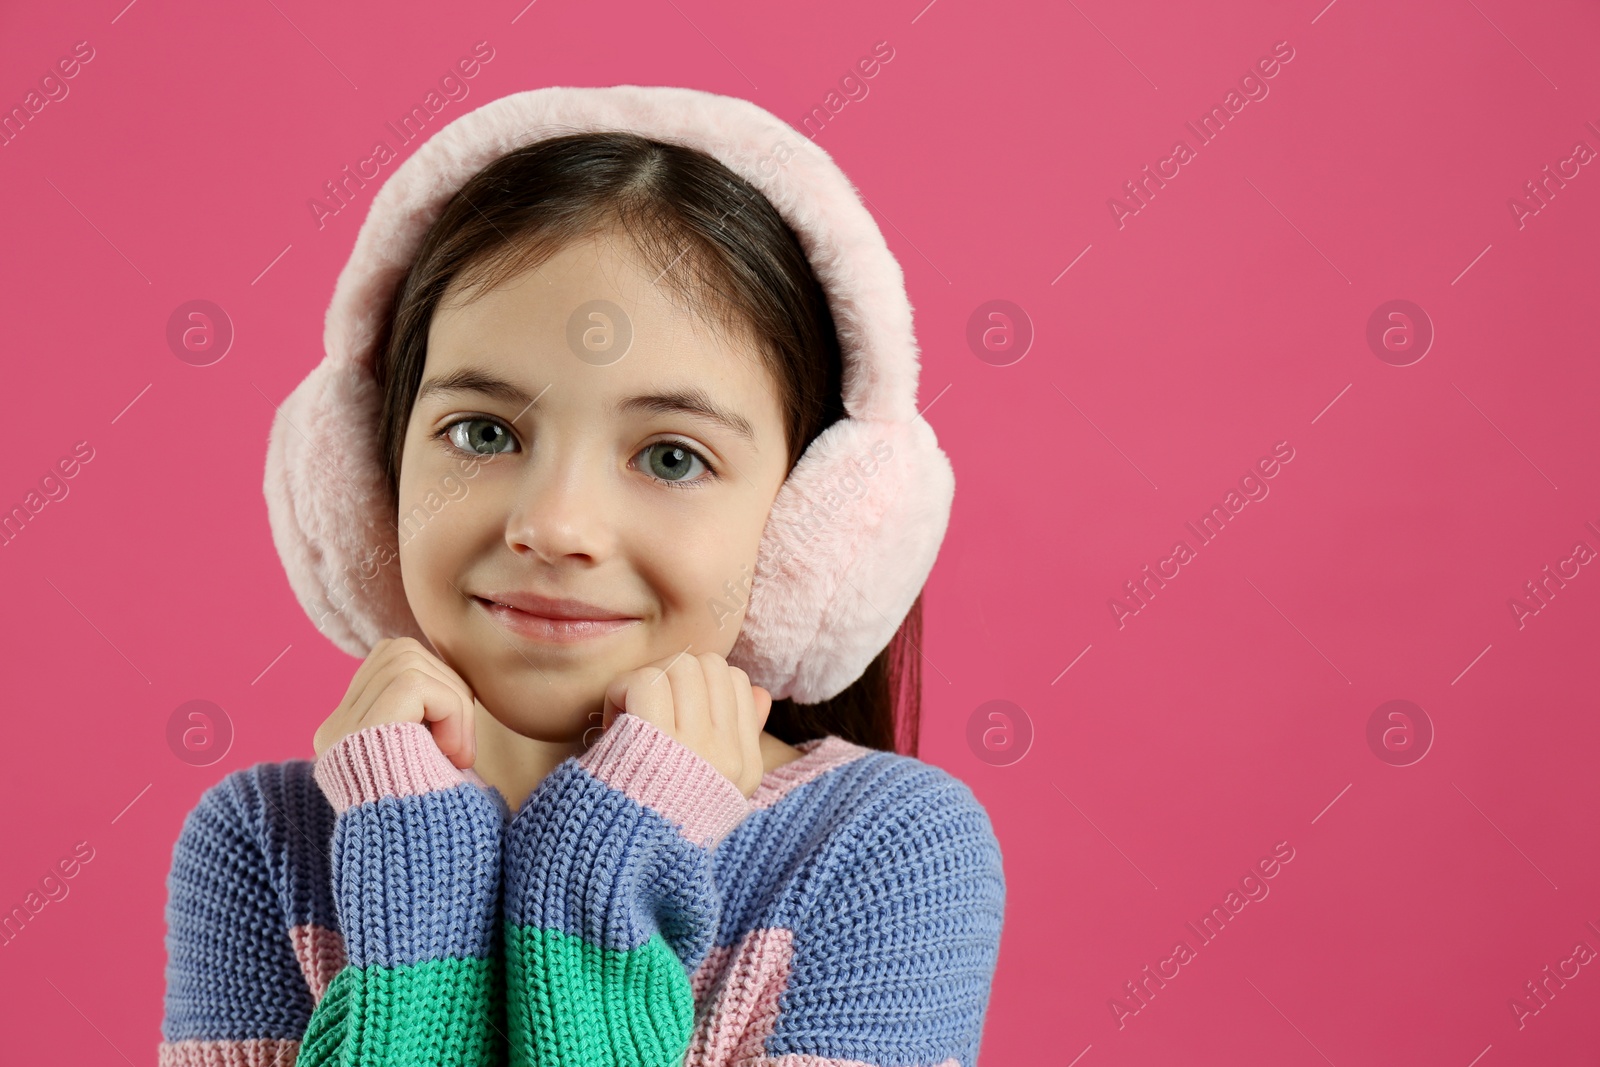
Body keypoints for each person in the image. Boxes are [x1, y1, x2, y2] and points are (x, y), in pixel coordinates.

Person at [158, 85, 1004, 1067]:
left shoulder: (882, 848)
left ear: (812, 521)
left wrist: (595, 872)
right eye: (482, 432)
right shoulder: (268, 842)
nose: (553, 524)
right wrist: (416, 875)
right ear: (363, 474)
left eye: (672, 456)